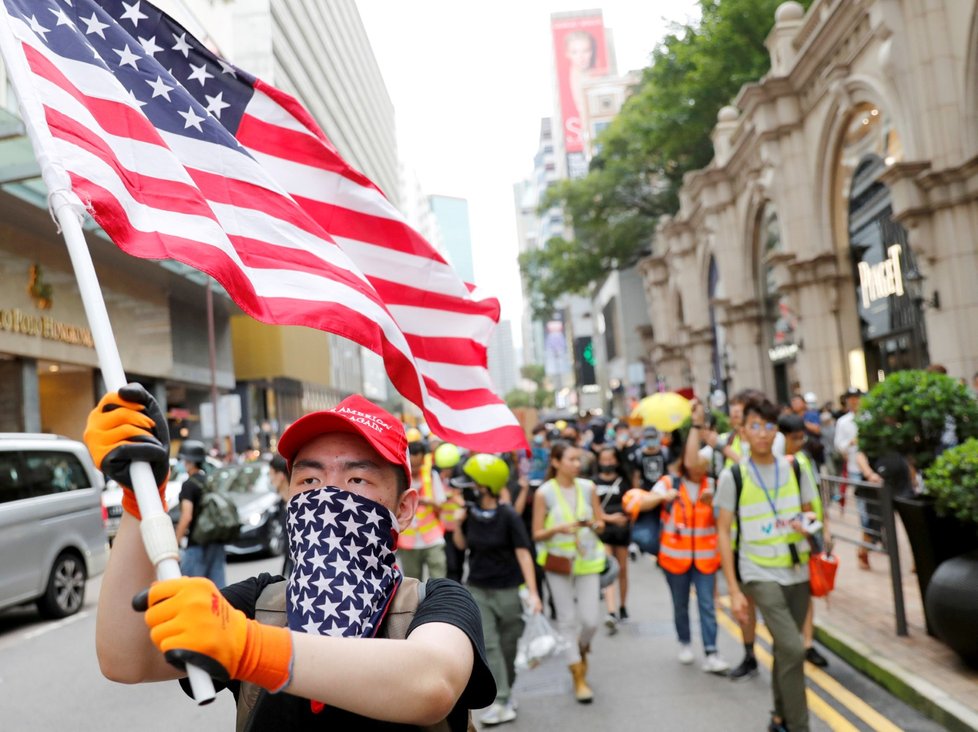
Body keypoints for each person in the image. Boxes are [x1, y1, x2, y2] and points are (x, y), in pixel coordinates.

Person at [85, 385, 496, 730]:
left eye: (357, 479)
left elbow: (431, 684)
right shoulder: (261, 604)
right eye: (310, 479)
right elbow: (126, 659)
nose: (327, 496)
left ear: (403, 509)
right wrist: (141, 499)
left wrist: (249, 650)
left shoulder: (436, 604)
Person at [716, 395, 819, 732]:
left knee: (785, 650)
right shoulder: (734, 476)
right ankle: (799, 727)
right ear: (742, 431)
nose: (762, 433)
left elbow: (810, 512)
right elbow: (722, 531)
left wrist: (808, 524)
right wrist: (733, 588)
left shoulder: (795, 467)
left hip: (797, 568)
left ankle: (778, 716)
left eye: (769, 426)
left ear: (777, 431)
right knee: (793, 646)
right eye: (754, 426)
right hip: (758, 571)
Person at [454, 454, 542, 727]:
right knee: (489, 646)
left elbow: (524, 554)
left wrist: (534, 592)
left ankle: (507, 692)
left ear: (485, 485)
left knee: (508, 648)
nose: (467, 487)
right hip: (479, 589)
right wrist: (457, 523)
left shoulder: (508, 516)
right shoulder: (470, 513)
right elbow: (461, 546)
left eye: (472, 483)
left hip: (507, 591)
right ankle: (502, 700)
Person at [532, 441, 606, 704]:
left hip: (588, 561)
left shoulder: (588, 488)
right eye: (571, 460)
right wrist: (558, 529)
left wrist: (596, 524)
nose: (577, 464)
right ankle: (578, 677)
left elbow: (601, 523)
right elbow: (537, 533)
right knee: (566, 619)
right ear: (555, 462)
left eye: (578, 460)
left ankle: (582, 647)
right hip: (558, 563)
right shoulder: (544, 493)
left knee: (591, 621)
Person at [656, 430, 729, 675]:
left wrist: (714, 505)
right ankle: (685, 641)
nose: (700, 471)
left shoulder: (714, 486)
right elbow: (643, 501)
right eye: (695, 465)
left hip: (705, 560)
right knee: (680, 604)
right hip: (675, 558)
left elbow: (724, 520)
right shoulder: (670, 483)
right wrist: (662, 498)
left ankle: (711, 651)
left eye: (703, 466)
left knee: (707, 605)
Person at [780, 414, 831, 668]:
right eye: (794, 438)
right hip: (784, 541)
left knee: (807, 590)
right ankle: (792, 644)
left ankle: (807, 644)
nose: (800, 442)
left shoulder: (803, 461)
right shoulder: (777, 465)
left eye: (802, 437)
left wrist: (824, 530)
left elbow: (815, 497)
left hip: (809, 535)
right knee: (788, 595)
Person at [833, 387, 882, 570]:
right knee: (865, 511)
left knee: (879, 510)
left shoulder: (870, 417)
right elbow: (839, 446)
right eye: (851, 398)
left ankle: (874, 541)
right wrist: (850, 443)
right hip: (857, 470)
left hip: (875, 468)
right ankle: (866, 546)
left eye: (857, 398)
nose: (854, 401)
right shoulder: (843, 422)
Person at [173, 439, 226, 588]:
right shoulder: (209, 481)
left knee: (194, 589)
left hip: (197, 544)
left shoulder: (188, 485)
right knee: (218, 589)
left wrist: (176, 541)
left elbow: (186, 516)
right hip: (215, 540)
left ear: (189, 462)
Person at [397, 432, 448, 580]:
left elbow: (441, 505)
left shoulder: (431, 476)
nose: (415, 468)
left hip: (433, 538)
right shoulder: (400, 479)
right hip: (408, 542)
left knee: (439, 580)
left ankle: (439, 603)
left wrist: (427, 501)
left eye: (419, 464)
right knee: (413, 584)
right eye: (412, 464)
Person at [593, 446, 631, 629]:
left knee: (623, 569)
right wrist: (609, 518)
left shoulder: (624, 482)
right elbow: (592, 508)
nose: (607, 463)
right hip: (604, 531)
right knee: (609, 568)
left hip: (622, 531)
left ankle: (622, 606)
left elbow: (632, 502)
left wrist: (625, 518)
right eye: (603, 460)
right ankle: (611, 610)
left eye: (610, 459)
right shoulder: (593, 483)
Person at [268, 454, 293, 577]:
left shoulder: (300, 506)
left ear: (281, 476)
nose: (270, 478)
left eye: (271, 473)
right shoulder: (279, 506)